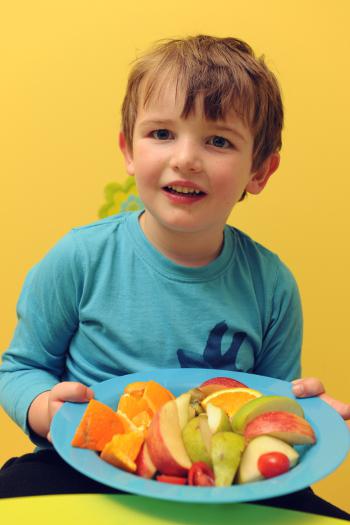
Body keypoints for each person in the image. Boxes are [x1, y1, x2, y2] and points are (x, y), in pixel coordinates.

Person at [0, 35, 349, 518]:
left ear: (261, 171)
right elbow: (19, 370)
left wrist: (307, 416)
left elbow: (266, 406)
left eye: (218, 140)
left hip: (215, 475)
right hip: (84, 459)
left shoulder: (272, 284)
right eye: (161, 134)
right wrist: (46, 410)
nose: (185, 158)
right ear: (128, 149)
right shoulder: (79, 257)